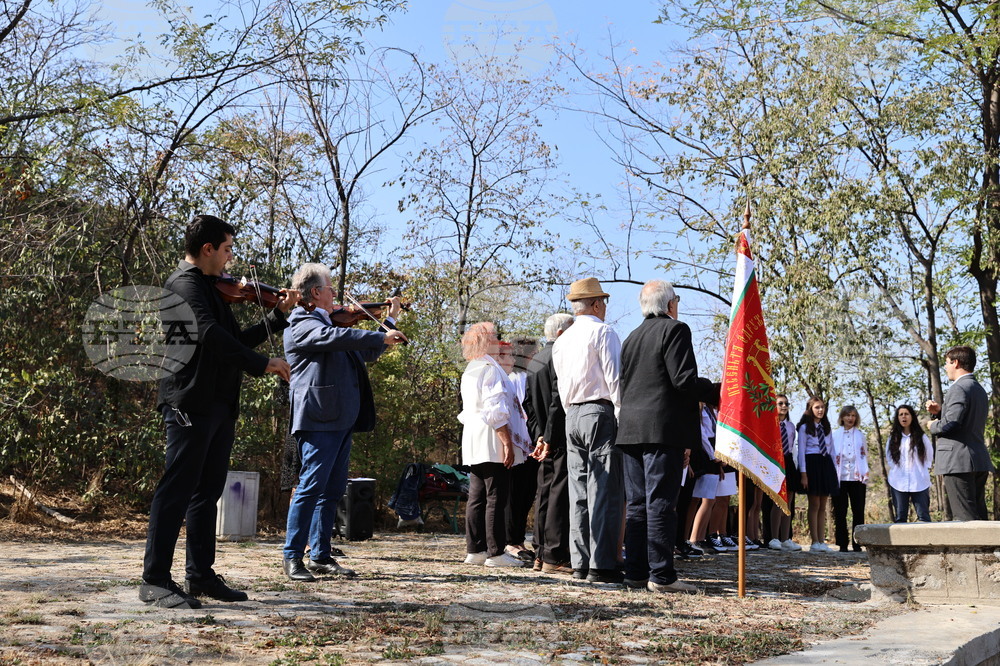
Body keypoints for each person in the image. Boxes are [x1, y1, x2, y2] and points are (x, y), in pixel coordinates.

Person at [140, 214, 297, 609]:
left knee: (206, 492)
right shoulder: (183, 285)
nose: (230, 258)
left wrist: (277, 317)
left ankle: (200, 575)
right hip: (189, 401)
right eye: (227, 249)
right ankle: (154, 581)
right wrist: (263, 364)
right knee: (176, 490)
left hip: (218, 402)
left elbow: (234, 340)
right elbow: (209, 335)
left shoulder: (210, 287)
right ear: (207, 249)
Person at [280, 263, 408, 581]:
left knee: (332, 491)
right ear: (315, 292)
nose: (335, 294)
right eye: (330, 288)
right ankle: (292, 556)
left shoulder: (332, 326)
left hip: (339, 418)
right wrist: (377, 335)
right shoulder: (302, 322)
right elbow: (333, 337)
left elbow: (368, 351)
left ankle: (320, 556)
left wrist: (389, 323)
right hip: (318, 417)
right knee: (310, 488)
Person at [617, 280, 717, 594]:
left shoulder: (631, 337)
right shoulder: (676, 329)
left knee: (637, 505)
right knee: (660, 503)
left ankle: (636, 573)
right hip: (662, 430)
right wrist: (719, 392)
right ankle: (661, 576)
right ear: (671, 304)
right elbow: (683, 380)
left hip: (630, 430)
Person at [550, 277, 624, 583]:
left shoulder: (562, 340)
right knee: (603, 489)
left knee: (578, 491)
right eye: (602, 302)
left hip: (573, 413)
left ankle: (580, 562)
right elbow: (614, 378)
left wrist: (572, 412)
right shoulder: (603, 331)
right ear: (595, 304)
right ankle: (601, 564)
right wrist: (620, 415)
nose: (605, 307)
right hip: (599, 410)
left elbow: (562, 385)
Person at [459, 322, 533, 568]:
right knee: (496, 496)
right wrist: (507, 442)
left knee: (477, 496)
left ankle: (476, 549)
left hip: (473, 436)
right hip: (491, 436)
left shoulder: (471, 368)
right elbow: (495, 410)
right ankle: (496, 552)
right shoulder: (490, 369)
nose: (497, 340)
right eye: (493, 337)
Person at [524, 314, 574, 575]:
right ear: (563, 333)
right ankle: (554, 556)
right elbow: (558, 400)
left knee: (544, 493)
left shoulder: (535, 360)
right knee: (558, 495)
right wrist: (550, 437)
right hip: (559, 437)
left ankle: (540, 553)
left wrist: (539, 436)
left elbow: (528, 404)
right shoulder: (561, 356)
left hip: (544, 438)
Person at [926, 346, 994, 521]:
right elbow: (965, 421)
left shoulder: (958, 388)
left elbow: (952, 423)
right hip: (976, 459)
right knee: (978, 516)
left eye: (947, 363)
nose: (945, 367)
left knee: (965, 518)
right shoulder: (978, 389)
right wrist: (940, 412)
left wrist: (933, 425)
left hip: (958, 462)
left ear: (955, 363)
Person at [503, 338, 540, 564]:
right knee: (514, 494)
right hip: (517, 444)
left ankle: (518, 539)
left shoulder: (530, 377)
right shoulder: (512, 378)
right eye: (533, 354)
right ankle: (510, 540)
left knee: (526, 494)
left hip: (532, 444)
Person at [797, 396, 838, 553]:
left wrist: (833, 471)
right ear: (810, 409)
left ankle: (821, 540)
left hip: (825, 464)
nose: (820, 410)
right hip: (811, 464)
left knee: (822, 504)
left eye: (822, 407)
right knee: (814, 504)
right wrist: (803, 473)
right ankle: (814, 541)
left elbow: (832, 450)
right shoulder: (804, 428)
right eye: (817, 407)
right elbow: (801, 451)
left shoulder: (826, 427)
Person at [886, 405, 933, 522]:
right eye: (901, 414)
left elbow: (929, 456)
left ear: (912, 417)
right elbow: (889, 457)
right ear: (897, 418)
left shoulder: (921, 437)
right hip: (898, 482)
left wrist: (922, 470)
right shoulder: (893, 438)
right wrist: (897, 469)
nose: (904, 417)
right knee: (900, 518)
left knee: (924, 517)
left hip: (919, 481)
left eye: (906, 414)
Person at [831, 405, 869, 552]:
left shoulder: (860, 435)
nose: (850, 418)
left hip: (857, 477)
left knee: (858, 511)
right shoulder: (835, 435)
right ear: (842, 417)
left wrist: (864, 472)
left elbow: (864, 454)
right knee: (840, 511)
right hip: (839, 477)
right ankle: (842, 543)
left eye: (853, 415)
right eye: (847, 415)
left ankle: (857, 543)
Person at [767, 394, 801, 551]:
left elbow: (792, 447)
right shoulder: (769, 424)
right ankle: (774, 538)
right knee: (777, 501)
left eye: (786, 403)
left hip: (788, 462)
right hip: (775, 462)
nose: (784, 406)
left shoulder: (791, 426)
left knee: (788, 501)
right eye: (780, 403)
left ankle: (786, 538)